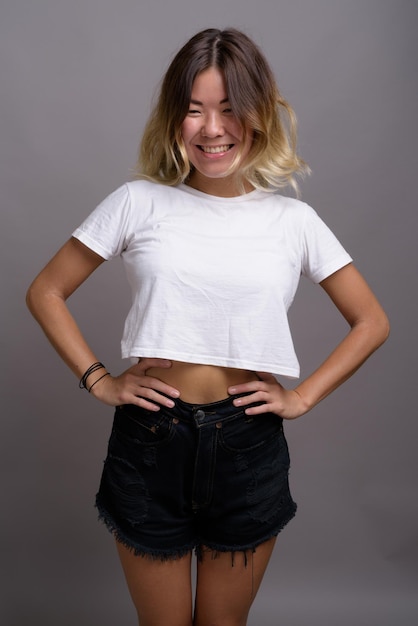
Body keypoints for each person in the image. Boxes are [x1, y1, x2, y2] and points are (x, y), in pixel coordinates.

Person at [26, 27, 389, 626]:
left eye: (229, 108)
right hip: (150, 440)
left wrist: (300, 397)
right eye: (194, 110)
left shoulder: (293, 220)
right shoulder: (137, 201)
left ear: (258, 116)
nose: (212, 128)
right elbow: (46, 290)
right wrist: (98, 379)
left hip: (248, 446)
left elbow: (371, 321)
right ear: (175, 119)